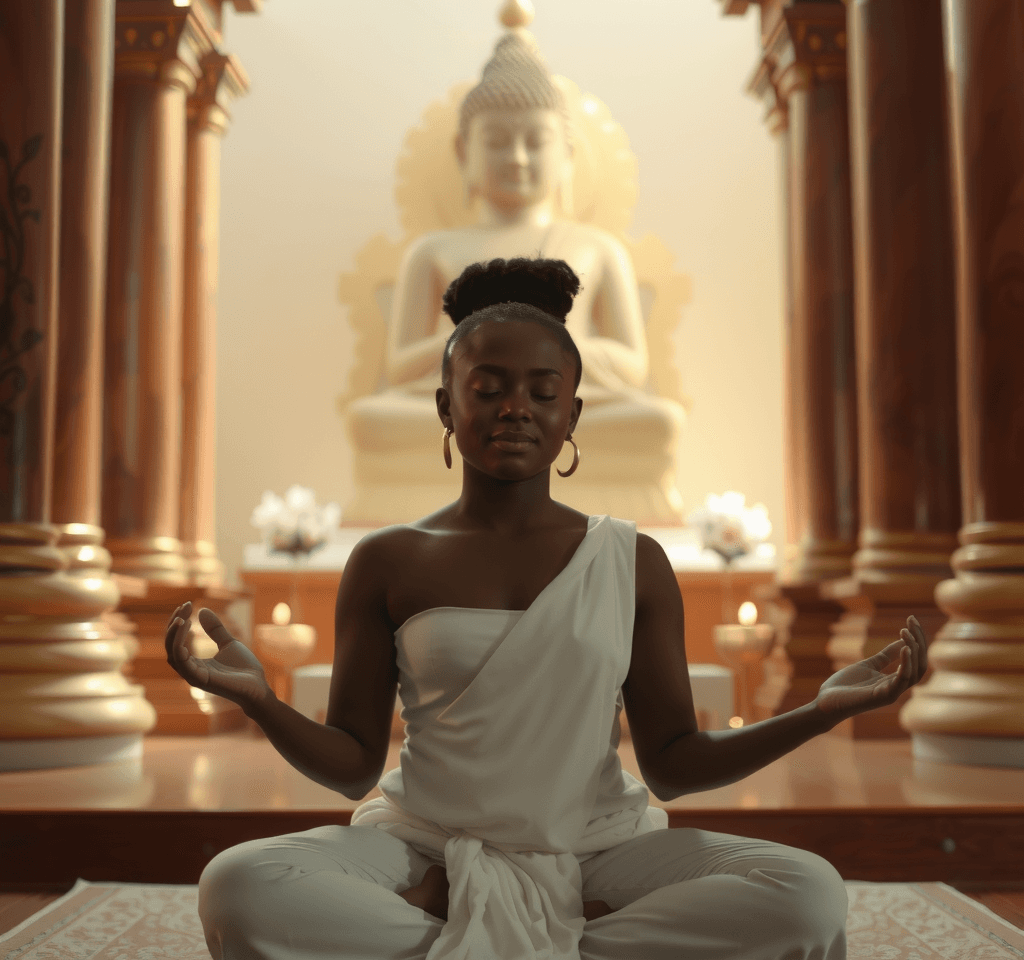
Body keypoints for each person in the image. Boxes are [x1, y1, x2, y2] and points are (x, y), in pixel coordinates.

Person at [165, 257, 930, 960]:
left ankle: (477, 936)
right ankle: (546, 933)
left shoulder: (630, 560)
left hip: (597, 847)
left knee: (806, 894)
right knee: (240, 884)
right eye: (488, 388)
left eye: (542, 391)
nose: (515, 411)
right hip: (426, 846)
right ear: (444, 404)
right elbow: (352, 765)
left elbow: (672, 764)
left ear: (573, 412)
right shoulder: (389, 558)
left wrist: (821, 712)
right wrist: (259, 700)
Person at [343, 30, 686, 523]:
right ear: (464, 152)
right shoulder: (433, 252)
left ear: (567, 153)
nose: (518, 157)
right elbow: (400, 368)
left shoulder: (598, 249)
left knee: (657, 422)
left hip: (568, 404)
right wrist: (473, 346)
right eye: (498, 141)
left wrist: (551, 351)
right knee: (372, 421)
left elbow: (631, 366)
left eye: (535, 141)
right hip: (462, 404)